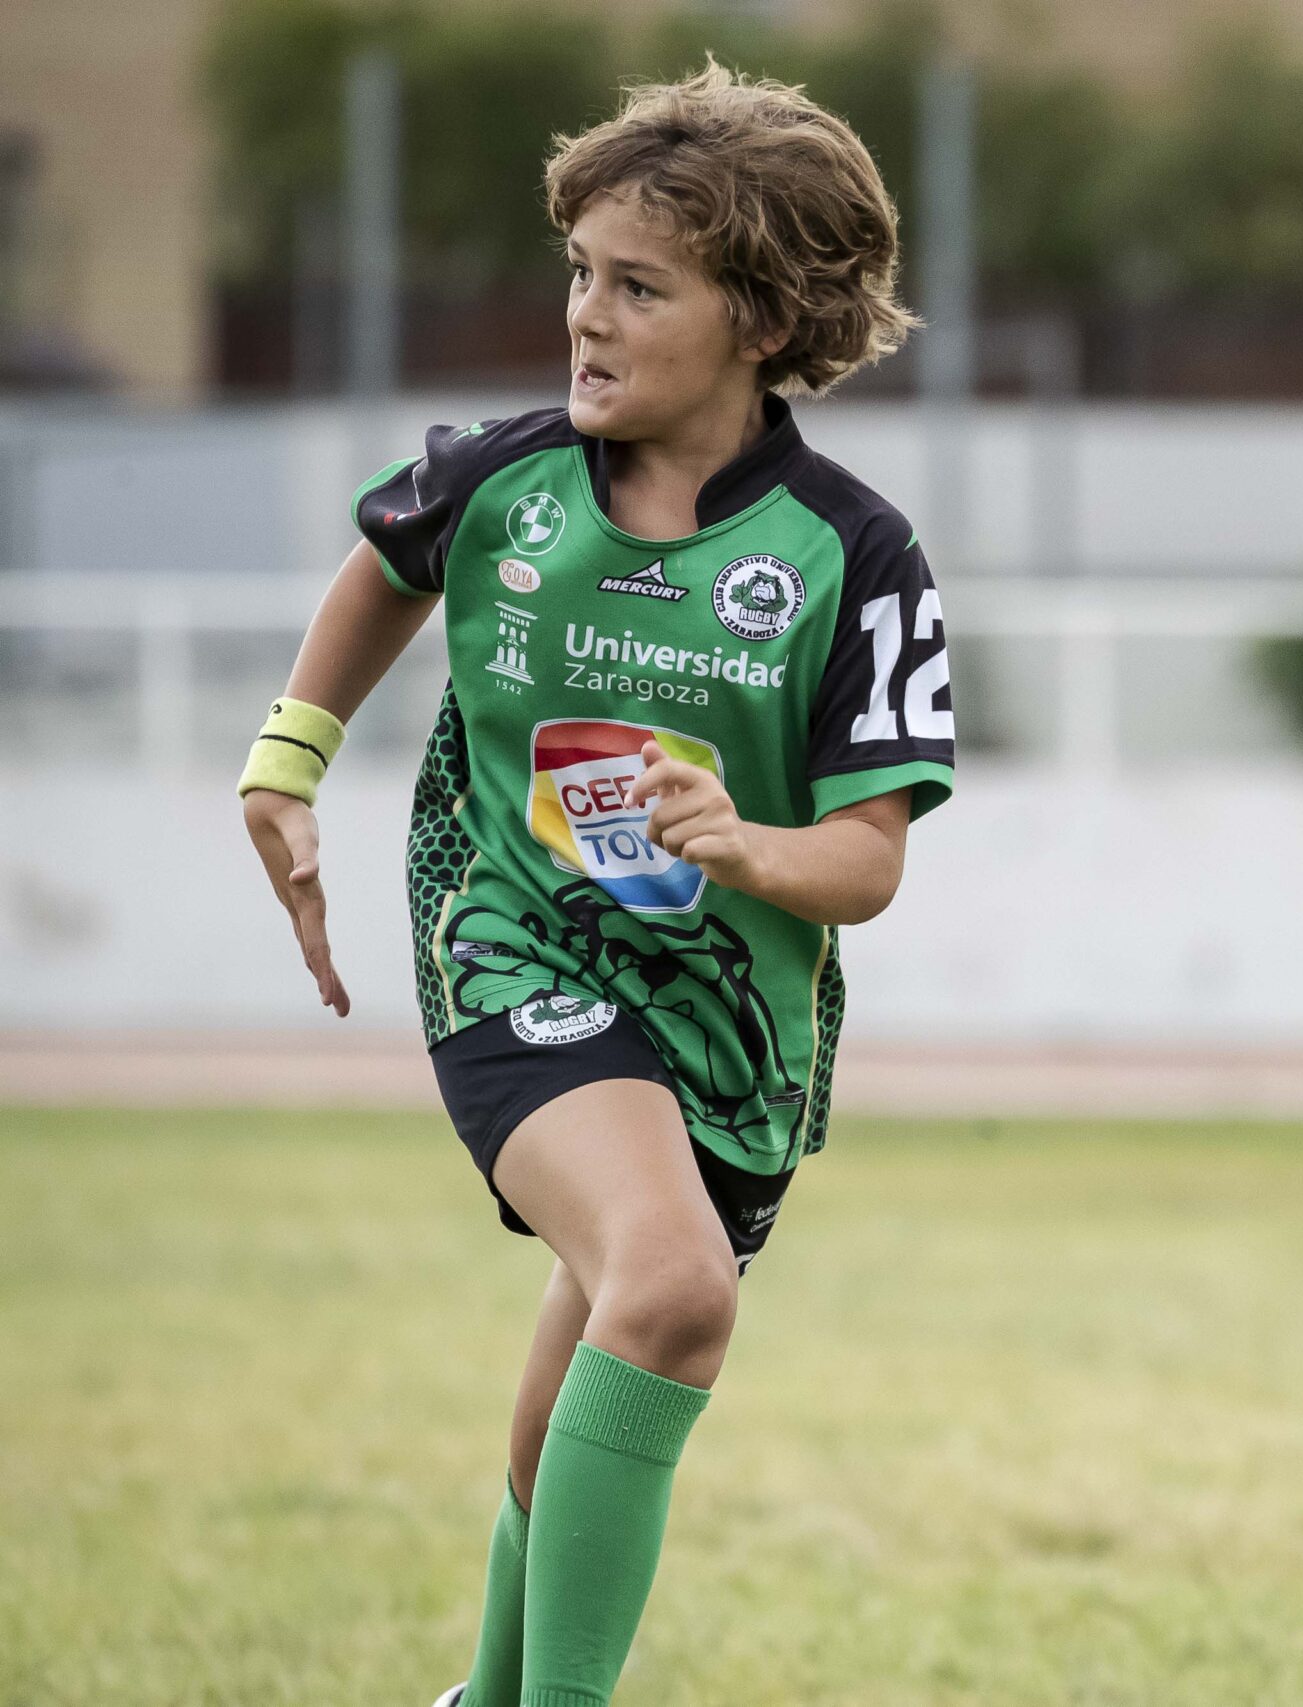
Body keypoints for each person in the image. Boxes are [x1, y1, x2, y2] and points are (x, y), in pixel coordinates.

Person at [237, 61, 954, 1707]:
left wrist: (743, 844)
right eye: (581, 273)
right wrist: (290, 756)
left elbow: (866, 864)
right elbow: (387, 565)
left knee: (583, 1397)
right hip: (505, 943)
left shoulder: (854, 556)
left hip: (729, 1033)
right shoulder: (509, 477)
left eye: (640, 287)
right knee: (676, 1284)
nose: (586, 316)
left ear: (766, 319)